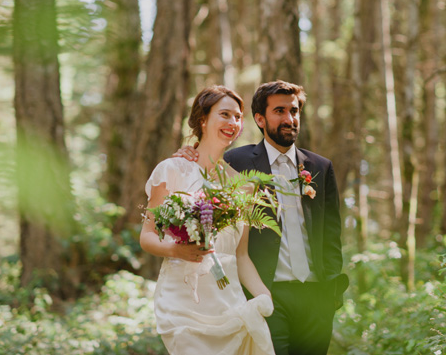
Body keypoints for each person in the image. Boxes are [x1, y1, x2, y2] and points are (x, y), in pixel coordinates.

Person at [176, 80, 348, 355]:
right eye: (279, 111)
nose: (289, 118)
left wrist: (330, 293)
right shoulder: (236, 162)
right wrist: (187, 154)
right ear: (259, 118)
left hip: (317, 297)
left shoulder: (321, 166)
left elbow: (331, 233)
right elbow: (203, 169)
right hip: (265, 295)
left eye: (294, 111)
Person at [140, 85, 275, 355]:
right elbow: (147, 235)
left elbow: (242, 256)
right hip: (183, 301)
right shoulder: (172, 169)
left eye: (238, 117)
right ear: (203, 119)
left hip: (228, 303)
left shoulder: (245, 186)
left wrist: (264, 295)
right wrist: (175, 249)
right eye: (225, 114)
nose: (233, 123)